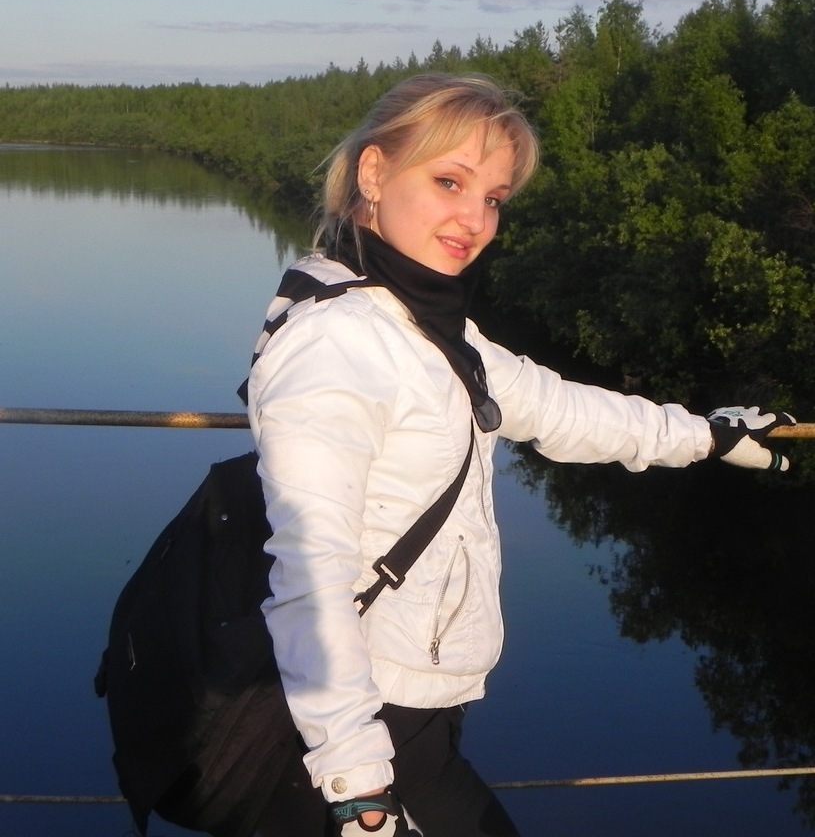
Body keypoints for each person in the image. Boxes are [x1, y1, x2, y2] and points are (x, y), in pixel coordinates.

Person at [246, 73, 794, 837]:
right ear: (373, 172)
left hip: (410, 705)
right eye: (448, 182)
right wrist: (358, 793)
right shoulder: (336, 341)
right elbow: (309, 573)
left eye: (494, 198)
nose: (474, 219)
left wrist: (705, 434)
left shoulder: (420, 323)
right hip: (369, 722)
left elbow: (555, 408)